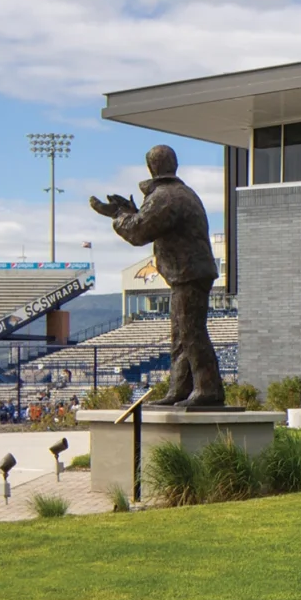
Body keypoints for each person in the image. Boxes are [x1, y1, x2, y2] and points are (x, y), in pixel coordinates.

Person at [90, 146, 223, 408]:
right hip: (188, 273)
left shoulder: (166, 196)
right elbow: (145, 221)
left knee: (191, 333)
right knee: (181, 335)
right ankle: (181, 389)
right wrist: (131, 210)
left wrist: (119, 214)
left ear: (151, 168)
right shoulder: (180, 193)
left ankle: (208, 389)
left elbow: (138, 231)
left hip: (188, 272)